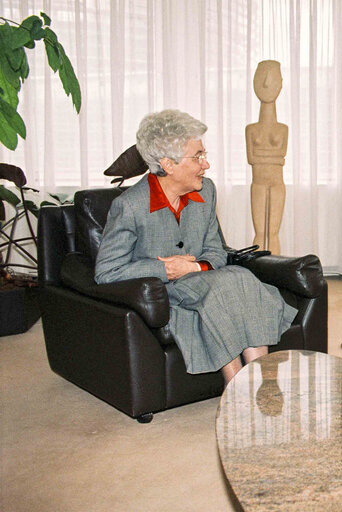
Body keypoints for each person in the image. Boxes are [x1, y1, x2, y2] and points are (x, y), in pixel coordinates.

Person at [95, 109, 297, 384]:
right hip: (167, 290)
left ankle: (258, 381)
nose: (206, 164)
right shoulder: (130, 206)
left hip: (206, 280)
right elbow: (107, 272)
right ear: (168, 164)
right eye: (198, 156)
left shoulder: (206, 190)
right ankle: (244, 384)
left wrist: (194, 266)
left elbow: (216, 250)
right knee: (228, 284)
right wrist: (167, 269)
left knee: (239, 278)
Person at [246, 60, 288, 254]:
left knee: (273, 231)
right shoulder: (251, 129)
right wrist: (271, 156)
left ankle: (276, 270)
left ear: (280, 83)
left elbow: (278, 157)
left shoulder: (282, 129)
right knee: (260, 231)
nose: (266, 84)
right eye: (261, 77)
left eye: (272, 78)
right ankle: (260, 270)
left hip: (277, 183)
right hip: (258, 183)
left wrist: (265, 155)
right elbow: (252, 158)